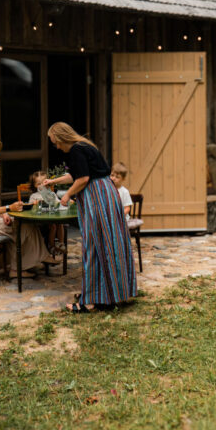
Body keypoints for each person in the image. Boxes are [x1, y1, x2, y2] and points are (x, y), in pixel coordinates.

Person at [44, 122, 136, 312]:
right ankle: (107, 293)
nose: (57, 147)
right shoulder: (84, 146)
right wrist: (53, 181)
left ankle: (91, 301)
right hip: (105, 194)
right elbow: (77, 174)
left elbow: (83, 179)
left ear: (61, 138)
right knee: (108, 243)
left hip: (97, 197)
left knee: (94, 245)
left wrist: (68, 194)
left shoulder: (76, 150)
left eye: (56, 143)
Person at [0, 139, 59, 280]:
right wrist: (9, 208)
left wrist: (3, 214)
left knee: (22, 223)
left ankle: (32, 260)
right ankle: (20, 266)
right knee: (22, 226)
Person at [27, 170, 64, 255]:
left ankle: (61, 244)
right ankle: (51, 246)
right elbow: (30, 208)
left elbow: (58, 202)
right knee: (53, 225)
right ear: (34, 185)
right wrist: (34, 204)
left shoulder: (51, 194)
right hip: (41, 221)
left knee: (60, 223)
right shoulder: (34, 196)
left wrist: (64, 201)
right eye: (39, 184)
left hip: (52, 217)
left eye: (44, 182)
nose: (42, 185)